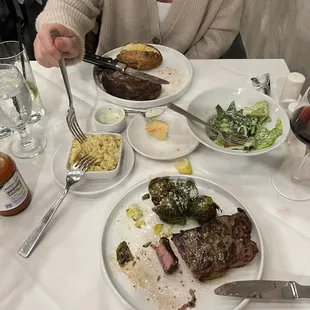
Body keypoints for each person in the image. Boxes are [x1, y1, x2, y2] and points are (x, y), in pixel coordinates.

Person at [34, 0, 244, 68]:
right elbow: (69, 4)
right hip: (109, 79)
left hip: (187, 87)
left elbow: (219, 34)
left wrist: (180, 75)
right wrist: (59, 27)